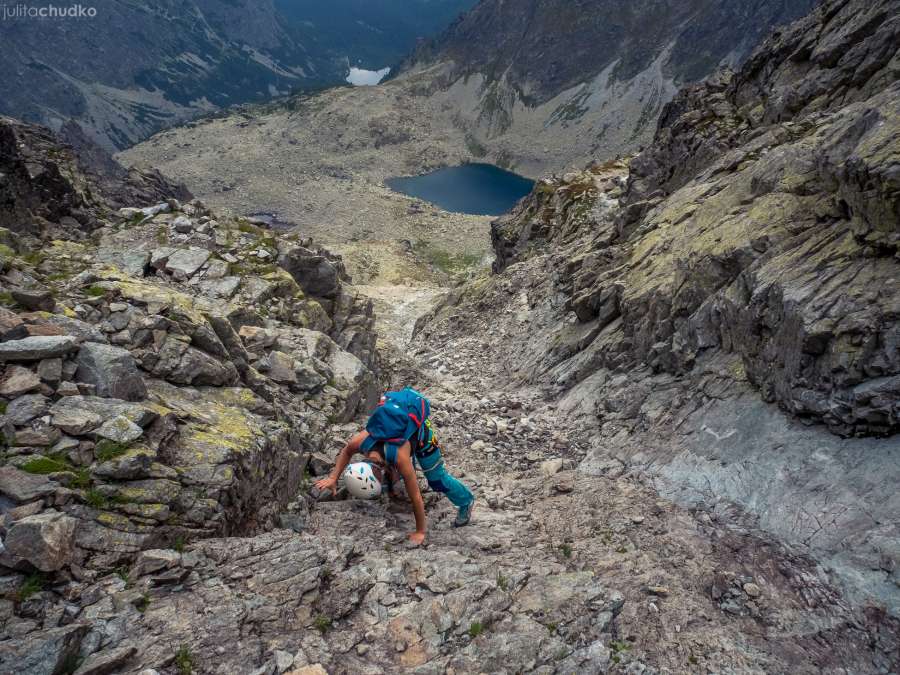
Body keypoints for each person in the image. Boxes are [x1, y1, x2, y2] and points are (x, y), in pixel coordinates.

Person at [314, 387, 475, 545]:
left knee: (437, 480)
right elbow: (347, 451)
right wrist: (333, 478)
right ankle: (392, 483)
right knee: (397, 473)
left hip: (421, 435)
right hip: (399, 424)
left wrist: (420, 532)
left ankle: (465, 501)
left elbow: (416, 497)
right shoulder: (362, 442)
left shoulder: (399, 457)